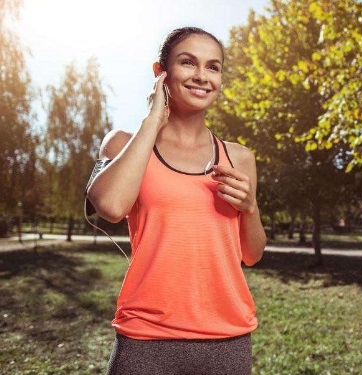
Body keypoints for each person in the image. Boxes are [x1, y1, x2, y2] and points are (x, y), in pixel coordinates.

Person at [85, 26, 267, 375]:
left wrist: (250, 208)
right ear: (161, 72)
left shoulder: (240, 158)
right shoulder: (123, 142)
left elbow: (252, 254)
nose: (202, 76)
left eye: (213, 67)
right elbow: (110, 206)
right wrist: (153, 120)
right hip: (146, 341)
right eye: (188, 62)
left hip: (227, 341)